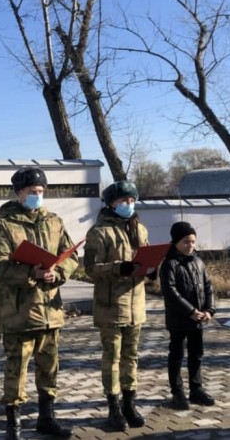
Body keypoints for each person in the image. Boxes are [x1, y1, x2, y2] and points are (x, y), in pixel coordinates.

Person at [0, 166, 78, 440]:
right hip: (19, 314)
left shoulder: (54, 221)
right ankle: (14, 425)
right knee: (17, 369)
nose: (37, 196)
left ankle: (47, 419)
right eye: (32, 191)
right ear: (19, 193)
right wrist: (29, 273)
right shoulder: (2, 226)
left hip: (50, 311)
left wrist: (56, 272)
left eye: (41, 191)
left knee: (49, 369)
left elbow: (70, 256)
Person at [83, 181, 151, 432]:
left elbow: (145, 258)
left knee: (131, 357)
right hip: (111, 305)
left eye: (132, 201)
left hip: (136, 304)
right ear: (111, 203)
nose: (128, 205)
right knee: (112, 357)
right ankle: (113, 407)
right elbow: (90, 268)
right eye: (123, 201)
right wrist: (117, 268)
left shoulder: (140, 229)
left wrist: (152, 270)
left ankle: (129, 403)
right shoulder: (99, 232)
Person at [160, 221, 216, 410]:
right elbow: (171, 292)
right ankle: (177, 392)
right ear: (175, 242)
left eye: (193, 241)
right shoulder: (169, 264)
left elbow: (208, 286)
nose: (190, 245)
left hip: (199, 319)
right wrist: (190, 311)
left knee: (197, 354)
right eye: (186, 242)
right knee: (176, 355)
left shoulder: (198, 262)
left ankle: (196, 389)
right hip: (179, 319)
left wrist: (209, 310)